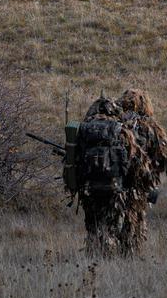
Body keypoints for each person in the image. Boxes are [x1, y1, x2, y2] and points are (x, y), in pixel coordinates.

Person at [62, 95, 150, 256]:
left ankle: (94, 255)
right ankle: (111, 256)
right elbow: (132, 160)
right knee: (112, 223)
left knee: (93, 224)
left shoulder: (83, 130)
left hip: (89, 188)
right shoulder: (120, 129)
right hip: (114, 187)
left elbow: (75, 159)